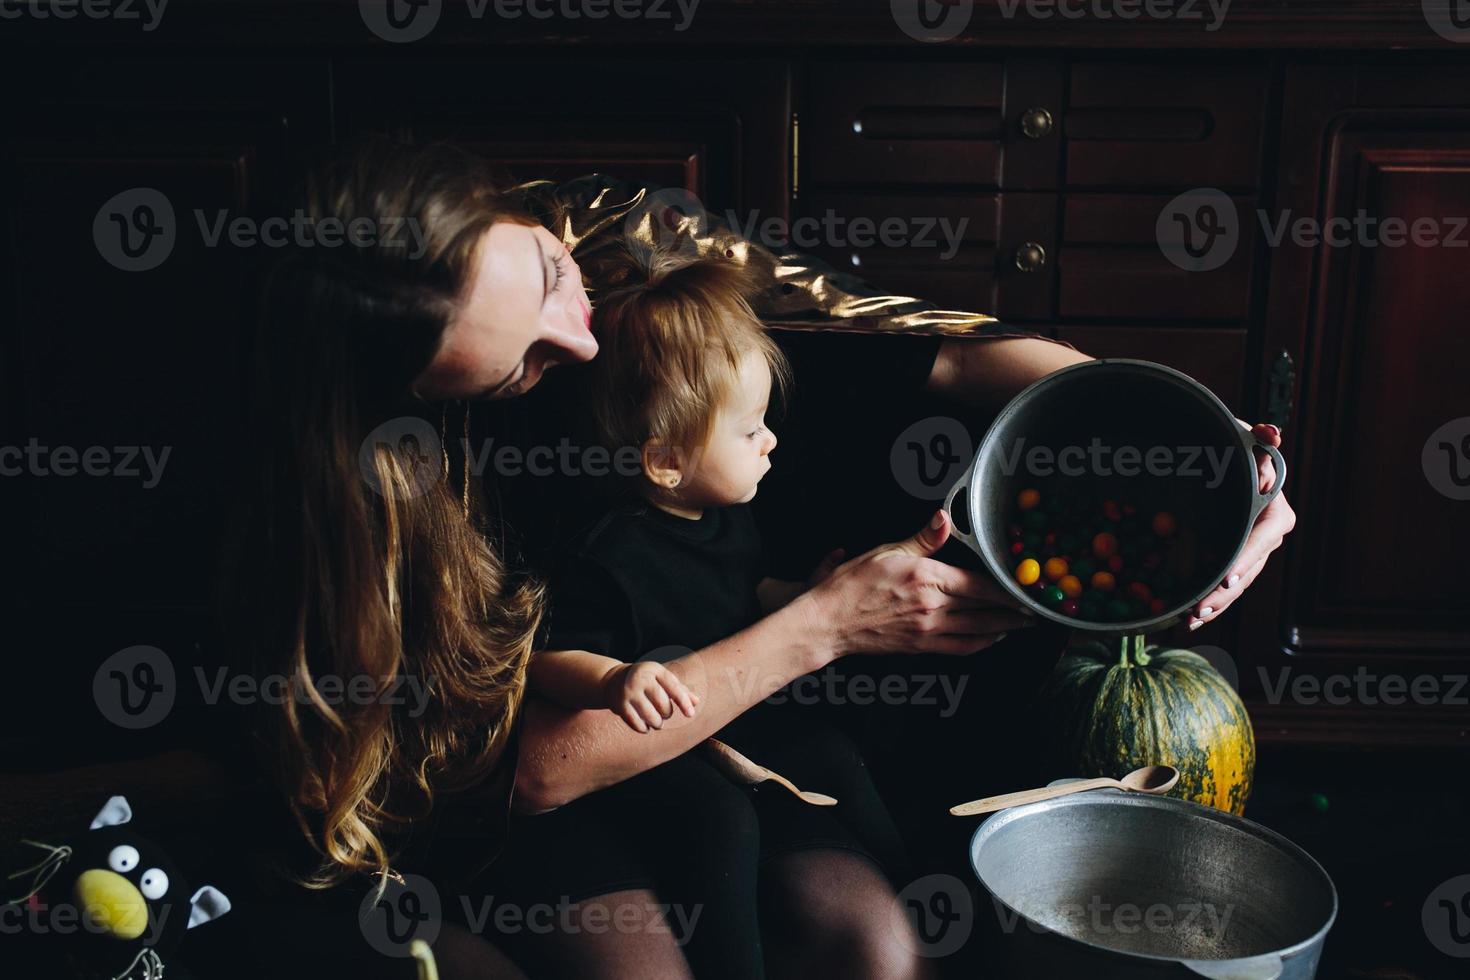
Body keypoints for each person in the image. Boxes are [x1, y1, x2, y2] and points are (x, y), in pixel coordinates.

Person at [195, 136, 1294, 979]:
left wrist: (1199, 458)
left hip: (738, 732)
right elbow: (535, 770)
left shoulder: (623, 251)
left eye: (546, 277)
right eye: (516, 366)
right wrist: (827, 619)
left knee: (874, 941)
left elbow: (946, 359)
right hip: (552, 800)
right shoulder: (397, 489)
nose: (574, 343)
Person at [512, 245, 927, 979]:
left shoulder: (725, 518)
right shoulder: (607, 554)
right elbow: (549, 657)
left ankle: (916, 886)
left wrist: (805, 598)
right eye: (749, 430)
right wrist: (613, 681)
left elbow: (742, 592)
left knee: (830, 751)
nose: (771, 441)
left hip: (726, 717)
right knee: (719, 819)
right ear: (666, 462)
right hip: (640, 742)